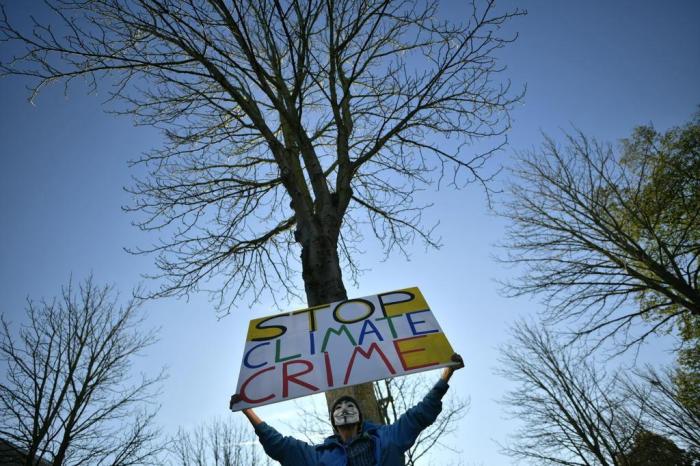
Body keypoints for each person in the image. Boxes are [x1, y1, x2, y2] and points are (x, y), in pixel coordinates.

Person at [229, 353, 464, 466]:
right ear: (333, 421)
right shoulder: (319, 457)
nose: (343, 409)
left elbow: (419, 415)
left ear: (360, 418)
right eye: (338, 408)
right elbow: (281, 446)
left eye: (349, 405)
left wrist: (447, 374)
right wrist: (247, 410)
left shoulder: (387, 438)